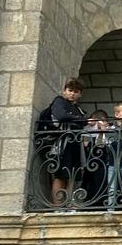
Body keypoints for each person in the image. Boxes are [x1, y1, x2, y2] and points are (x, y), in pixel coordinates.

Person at [42, 78, 86, 207]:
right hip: (63, 144)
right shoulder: (59, 101)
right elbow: (61, 116)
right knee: (60, 175)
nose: (72, 94)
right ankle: (58, 206)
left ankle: (68, 205)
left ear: (80, 94)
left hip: (75, 145)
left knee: (72, 176)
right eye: (70, 90)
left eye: (76, 92)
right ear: (64, 91)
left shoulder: (78, 109)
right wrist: (79, 119)